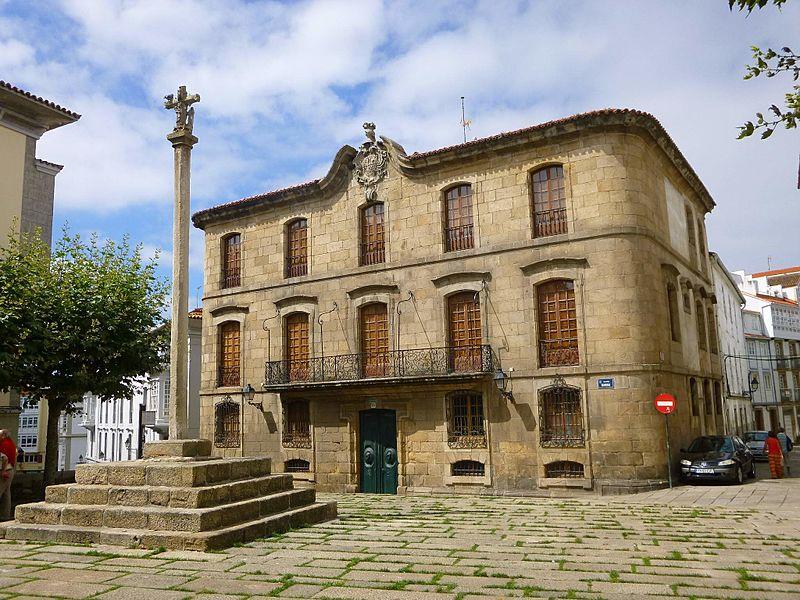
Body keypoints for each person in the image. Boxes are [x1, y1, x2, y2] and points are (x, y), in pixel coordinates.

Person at [0, 429, 17, 520]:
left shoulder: (4, 444)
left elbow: (4, 458)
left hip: (4, 470)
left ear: (3, 436)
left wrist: (3, 471)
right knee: (6, 494)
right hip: (10, 470)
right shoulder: (11, 444)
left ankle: (4, 515)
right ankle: (5, 515)